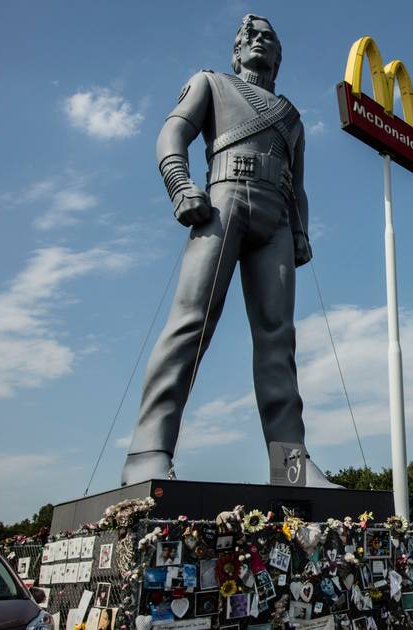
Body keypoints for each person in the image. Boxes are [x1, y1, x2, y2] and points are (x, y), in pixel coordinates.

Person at [120, 14, 338, 488]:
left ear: (278, 56)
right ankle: (147, 452)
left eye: (269, 39)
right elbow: (171, 133)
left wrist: (300, 232)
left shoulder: (292, 117)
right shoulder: (211, 84)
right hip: (223, 200)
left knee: (278, 341)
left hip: (276, 216)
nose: (259, 42)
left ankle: (292, 469)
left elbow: (298, 186)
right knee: (190, 323)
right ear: (236, 50)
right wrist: (180, 184)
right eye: (251, 36)